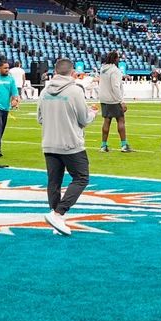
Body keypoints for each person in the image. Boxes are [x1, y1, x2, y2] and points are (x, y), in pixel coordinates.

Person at [36, 58, 97, 235]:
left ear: (55, 71)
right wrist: (93, 113)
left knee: (54, 182)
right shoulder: (75, 91)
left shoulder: (45, 91)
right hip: (71, 143)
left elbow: (40, 119)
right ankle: (58, 213)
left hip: (49, 142)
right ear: (72, 73)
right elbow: (84, 119)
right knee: (81, 178)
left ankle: (57, 219)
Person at [97, 53, 130, 152]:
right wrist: (121, 101)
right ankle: (124, 145)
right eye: (118, 58)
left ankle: (103, 145)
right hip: (114, 99)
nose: (119, 60)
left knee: (106, 121)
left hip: (104, 98)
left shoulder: (103, 69)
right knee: (120, 120)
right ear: (115, 59)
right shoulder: (115, 70)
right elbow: (115, 86)